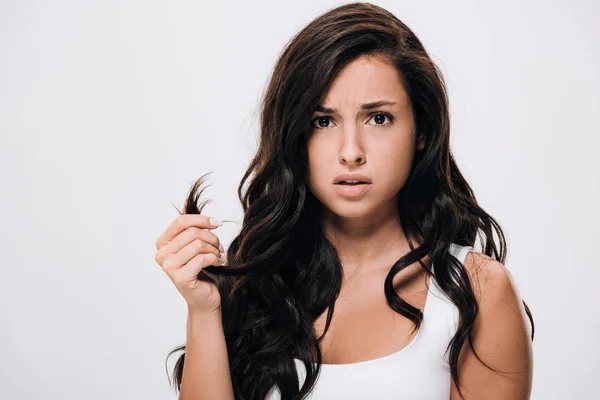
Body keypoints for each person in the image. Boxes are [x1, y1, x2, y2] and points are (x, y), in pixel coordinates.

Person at [153, 2, 535, 399]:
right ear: (295, 136)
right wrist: (204, 310)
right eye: (323, 121)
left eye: (378, 118)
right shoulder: (256, 286)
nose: (351, 151)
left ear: (422, 130)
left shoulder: (475, 292)